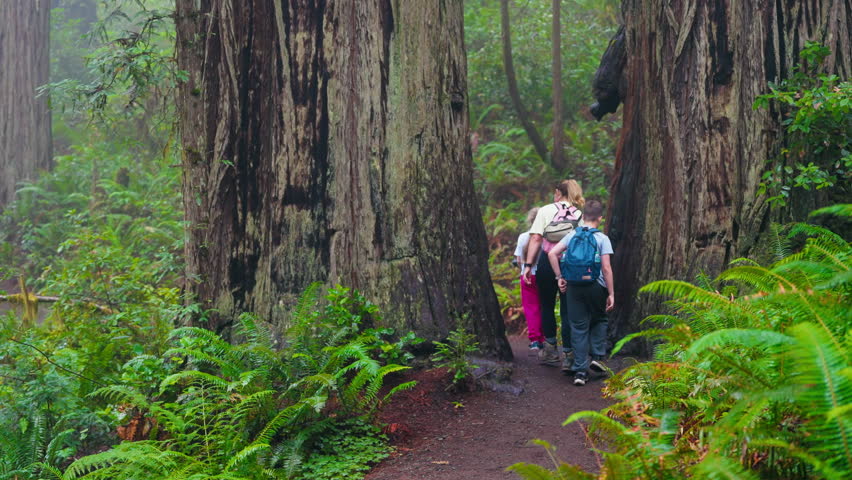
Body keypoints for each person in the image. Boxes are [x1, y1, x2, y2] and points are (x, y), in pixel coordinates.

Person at [546, 200, 614, 386]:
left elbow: (552, 254)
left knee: (578, 326)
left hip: (573, 286)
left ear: (583, 217)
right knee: (600, 319)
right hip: (596, 286)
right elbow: (606, 268)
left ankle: (580, 372)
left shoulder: (571, 235)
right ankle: (598, 358)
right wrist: (611, 293)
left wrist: (559, 276)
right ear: (600, 218)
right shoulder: (602, 238)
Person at [522, 180, 585, 367]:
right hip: (570, 263)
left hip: (547, 262)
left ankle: (550, 350)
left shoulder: (545, 210)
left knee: (546, 305)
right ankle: (569, 354)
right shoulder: (578, 213)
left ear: (558, 192)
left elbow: (535, 238)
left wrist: (527, 265)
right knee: (568, 309)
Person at [514, 208, 544, 352]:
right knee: (545, 307)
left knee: (531, 308)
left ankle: (535, 340)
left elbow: (519, 259)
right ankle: (546, 338)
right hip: (544, 276)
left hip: (527, 276)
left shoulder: (523, 237)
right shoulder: (548, 238)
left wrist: (523, 268)